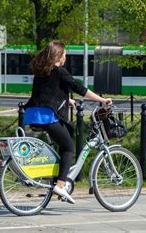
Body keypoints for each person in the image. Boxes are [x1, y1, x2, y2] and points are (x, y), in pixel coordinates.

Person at [23, 41, 112, 204]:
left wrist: (67, 100)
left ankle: (57, 175)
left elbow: (48, 92)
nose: (66, 57)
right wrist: (102, 100)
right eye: (64, 54)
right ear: (59, 56)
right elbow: (79, 88)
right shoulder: (59, 71)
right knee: (69, 147)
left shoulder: (42, 72)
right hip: (47, 116)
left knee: (68, 131)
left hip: (32, 114)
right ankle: (61, 184)